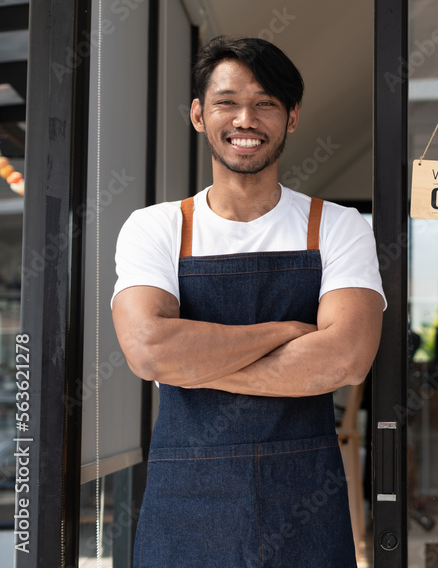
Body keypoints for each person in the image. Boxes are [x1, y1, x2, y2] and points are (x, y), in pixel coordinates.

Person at [111, 36, 385, 567]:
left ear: (292, 117)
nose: (245, 119)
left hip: (304, 499)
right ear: (198, 114)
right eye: (226, 102)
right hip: (185, 502)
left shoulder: (336, 226)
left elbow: (347, 359)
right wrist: (285, 332)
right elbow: (148, 351)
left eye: (265, 103)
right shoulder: (158, 227)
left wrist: (191, 361)